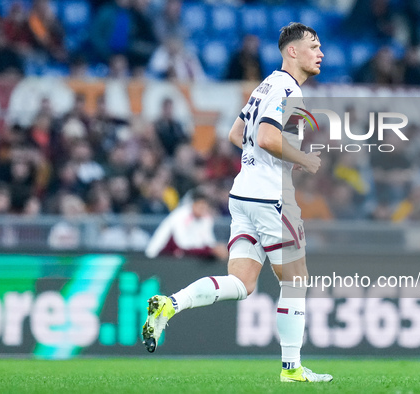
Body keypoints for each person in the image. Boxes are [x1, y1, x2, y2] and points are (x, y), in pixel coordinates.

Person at [141, 22, 332, 383]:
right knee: (295, 280)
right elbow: (265, 137)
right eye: (313, 46)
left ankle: (170, 304)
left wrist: (259, 160)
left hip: (243, 194)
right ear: (292, 51)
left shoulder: (265, 85)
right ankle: (292, 369)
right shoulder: (287, 89)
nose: (320, 53)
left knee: (242, 284)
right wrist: (303, 158)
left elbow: (235, 134)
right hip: (269, 196)